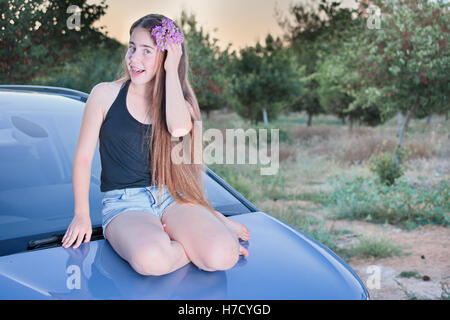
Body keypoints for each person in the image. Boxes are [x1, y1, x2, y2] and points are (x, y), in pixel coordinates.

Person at [61, 14, 250, 276]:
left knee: (223, 255)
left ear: (166, 57)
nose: (133, 58)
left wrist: (171, 70)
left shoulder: (179, 105)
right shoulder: (104, 94)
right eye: (132, 47)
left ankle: (207, 230)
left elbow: (179, 129)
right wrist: (81, 215)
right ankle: (193, 242)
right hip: (124, 204)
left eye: (147, 51)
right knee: (151, 261)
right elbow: (83, 158)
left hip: (172, 198)